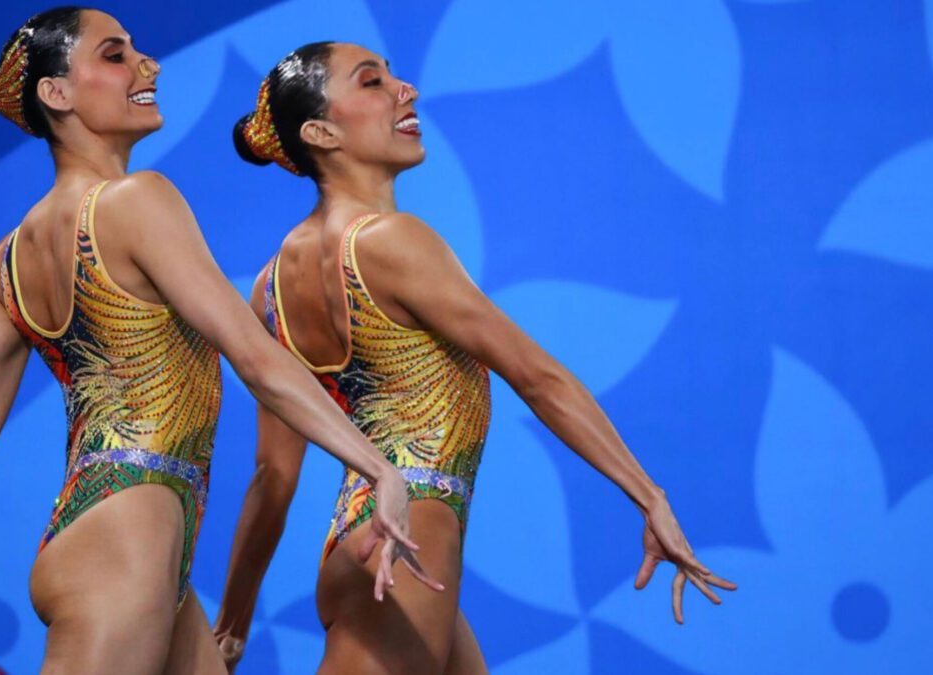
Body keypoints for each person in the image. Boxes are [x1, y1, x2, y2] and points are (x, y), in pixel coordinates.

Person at [0, 15, 434, 675]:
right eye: (116, 56)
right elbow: (254, 357)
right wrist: (379, 468)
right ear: (58, 94)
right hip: (125, 546)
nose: (150, 66)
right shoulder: (136, 201)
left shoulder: (1, 267)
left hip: (119, 539)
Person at [213, 41, 738, 673]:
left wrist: (234, 625)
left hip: (361, 544)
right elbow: (537, 377)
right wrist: (649, 496)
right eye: (373, 82)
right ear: (322, 132)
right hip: (411, 544)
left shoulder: (269, 287)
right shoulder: (391, 241)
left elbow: (274, 478)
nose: (406, 90)